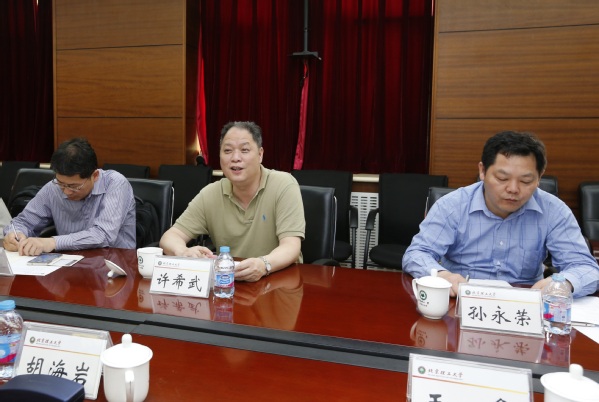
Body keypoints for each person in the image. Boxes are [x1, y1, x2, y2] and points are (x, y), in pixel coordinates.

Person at [403, 131, 599, 298]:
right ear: (482, 171)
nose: (513, 189)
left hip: (525, 304)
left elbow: (586, 268)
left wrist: (564, 284)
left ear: (539, 178)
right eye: (502, 178)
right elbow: (417, 254)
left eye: (525, 181)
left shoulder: (554, 211)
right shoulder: (452, 205)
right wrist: (442, 275)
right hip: (460, 300)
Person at [160, 121, 305, 282]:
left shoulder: (283, 185)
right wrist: (183, 252)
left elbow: (291, 246)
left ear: (260, 154)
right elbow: (169, 237)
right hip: (229, 284)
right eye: (228, 151)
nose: (235, 158)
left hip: (280, 281)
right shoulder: (211, 194)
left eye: (244, 150)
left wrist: (264, 264)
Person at [2, 138, 136, 255]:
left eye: (74, 186)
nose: (66, 191)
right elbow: (23, 222)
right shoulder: (53, 188)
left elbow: (104, 235)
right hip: (68, 265)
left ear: (94, 176)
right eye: (61, 183)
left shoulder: (115, 184)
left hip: (114, 265)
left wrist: (52, 242)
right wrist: (15, 235)